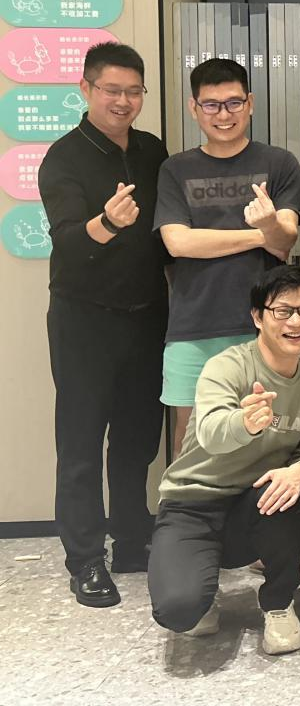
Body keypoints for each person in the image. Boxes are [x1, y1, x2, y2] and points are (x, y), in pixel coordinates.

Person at [147, 266, 300, 656]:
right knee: (180, 611)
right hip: (193, 504)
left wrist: (299, 471)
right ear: (257, 317)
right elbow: (210, 433)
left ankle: (279, 604)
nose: (296, 322)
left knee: (284, 489)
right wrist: (244, 423)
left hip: (255, 503)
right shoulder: (226, 367)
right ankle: (202, 588)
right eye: (282, 311)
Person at [39, 42, 169, 606]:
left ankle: (133, 540)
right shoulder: (63, 157)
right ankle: (86, 559)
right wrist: (108, 223)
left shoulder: (151, 150)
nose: (123, 101)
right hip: (83, 320)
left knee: (137, 438)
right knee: (82, 441)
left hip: (147, 316)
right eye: (112, 90)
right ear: (86, 90)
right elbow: (68, 242)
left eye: (133, 91)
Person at [154, 58, 300, 454]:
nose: (223, 115)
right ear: (194, 108)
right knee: (191, 440)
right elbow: (178, 243)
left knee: (267, 437)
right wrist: (260, 234)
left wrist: (272, 231)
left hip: (264, 327)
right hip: (193, 326)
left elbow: (285, 239)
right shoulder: (175, 169)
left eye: (234, 103)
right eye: (211, 104)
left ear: (250, 103)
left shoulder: (279, 163)